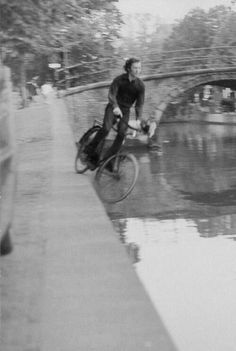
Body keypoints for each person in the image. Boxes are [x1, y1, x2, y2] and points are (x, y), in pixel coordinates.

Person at [85, 57, 145, 169]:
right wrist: (115, 107)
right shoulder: (119, 80)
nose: (138, 70)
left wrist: (138, 119)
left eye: (139, 68)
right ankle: (89, 149)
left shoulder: (140, 86)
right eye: (135, 68)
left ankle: (108, 162)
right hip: (113, 107)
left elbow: (139, 104)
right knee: (106, 129)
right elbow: (111, 94)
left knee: (122, 134)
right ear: (128, 68)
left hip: (125, 111)